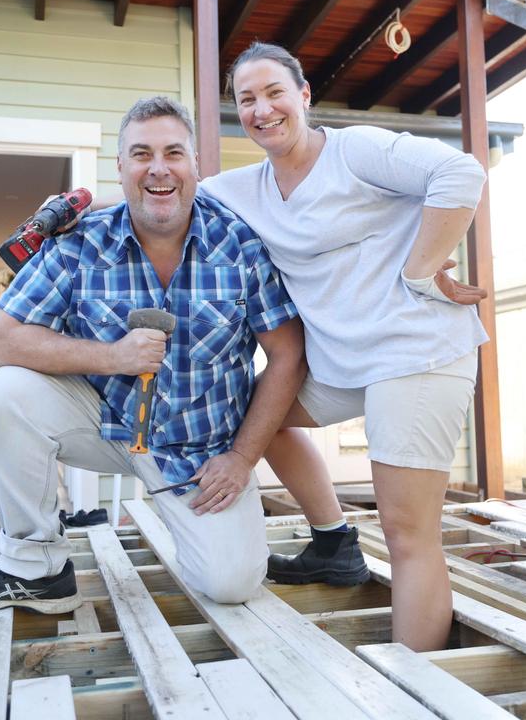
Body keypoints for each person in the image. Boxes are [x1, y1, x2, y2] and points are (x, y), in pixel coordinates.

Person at [0, 96, 304, 613]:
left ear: (196, 164)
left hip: (199, 451)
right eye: (141, 154)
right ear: (120, 166)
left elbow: (287, 356)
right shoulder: (78, 243)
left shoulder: (239, 245)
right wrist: (113, 357)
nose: (158, 168)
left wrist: (242, 458)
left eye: (174, 153)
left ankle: (189, 522)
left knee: (232, 584)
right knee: (3, 394)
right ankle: (35, 566)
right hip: (103, 424)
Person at [198, 42, 488, 651]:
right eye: (246, 99)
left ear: (304, 96)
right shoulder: (239, 190)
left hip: (415, 353)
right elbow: (160, 203)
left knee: (408, 533)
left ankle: (417, 689)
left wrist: (419, 269)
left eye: (274, 92)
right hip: (340, 361)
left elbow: (461, 172)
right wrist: (70, 216)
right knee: (257, 416)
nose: (261, 109)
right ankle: (333, 542)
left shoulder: (355, 151)